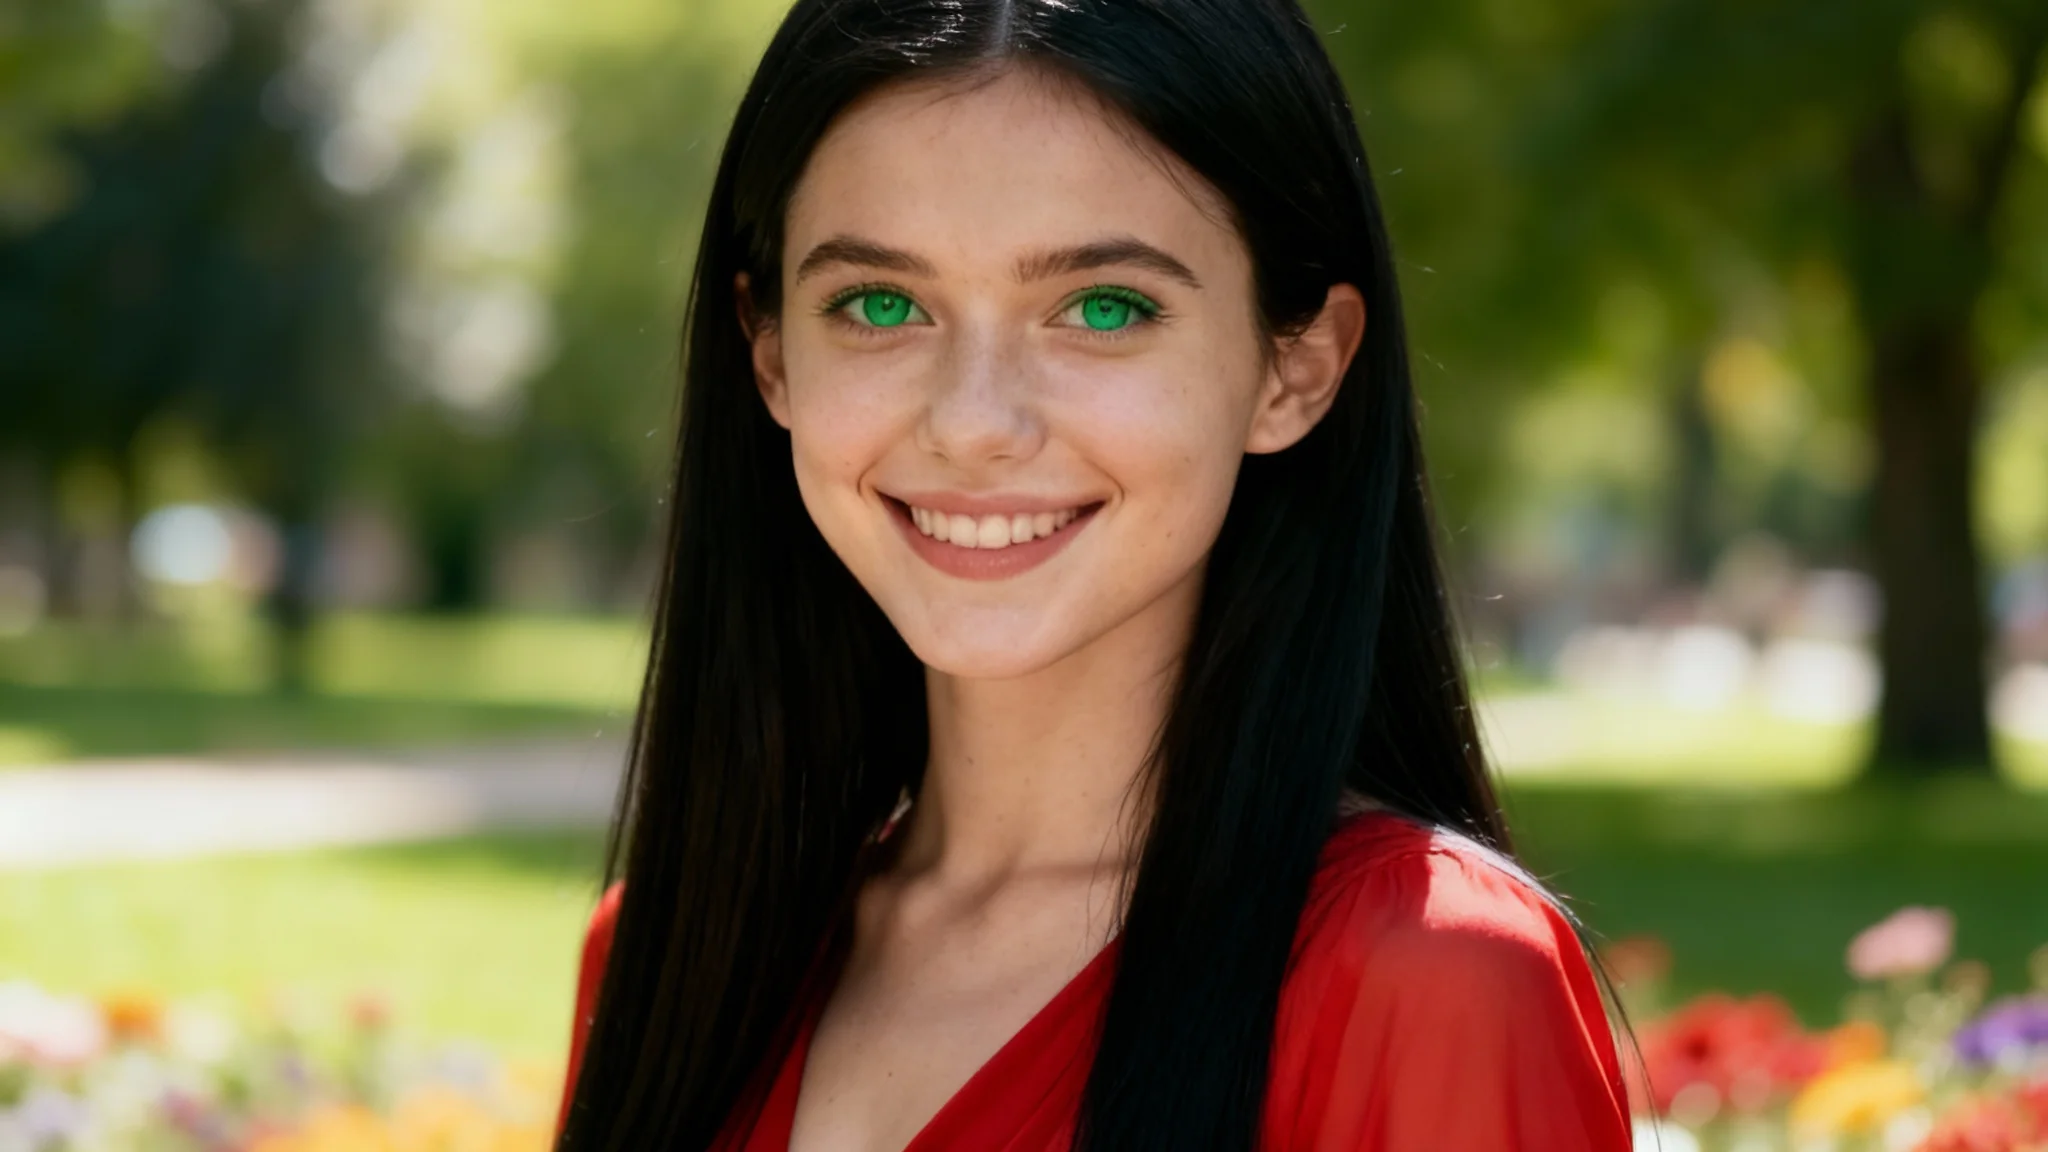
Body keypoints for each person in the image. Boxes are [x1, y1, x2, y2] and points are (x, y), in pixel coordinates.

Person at [553, 0, 1634, 1148]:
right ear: (769, 355)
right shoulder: (665, 960)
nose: (973, 424)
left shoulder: (1428, 977)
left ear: (1295, 370)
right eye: (878, 305)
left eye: (1102, 309)